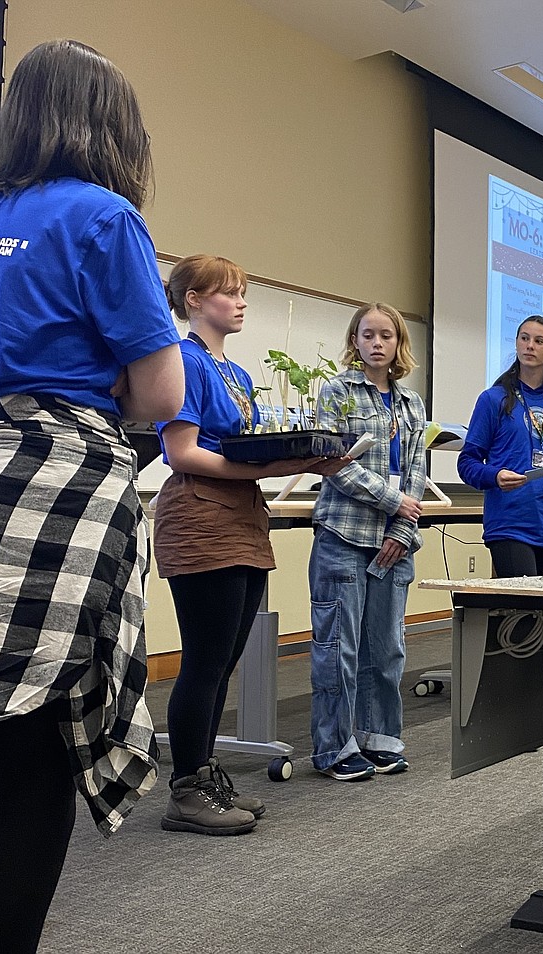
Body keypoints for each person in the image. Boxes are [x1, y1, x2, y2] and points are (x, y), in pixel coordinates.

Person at [0, 39, 185, 952]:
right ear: (113, 125)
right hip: (58, 478)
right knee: (31, 732)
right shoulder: (105, 217)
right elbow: (159, 397)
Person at [153, 254, 347, 832]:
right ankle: (186, 791)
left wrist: (303, 458)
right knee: (205, 660)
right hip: (199, 513)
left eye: (242, 293)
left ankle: (204, 774)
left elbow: (247, 449)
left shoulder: (235, 375)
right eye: (228, 293)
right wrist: (268, 468)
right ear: (193, 300)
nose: (240, 303)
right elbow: (182, 452)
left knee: (226, 659)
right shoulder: (183, 361)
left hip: (240, 514)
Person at [308, 303, 427, 781]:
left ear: (399, 344)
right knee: (340, 647)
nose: (377, 344)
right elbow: (333, 462)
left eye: (387, 336)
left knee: (387, 646)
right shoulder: (336, 392)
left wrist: (402, 525)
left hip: (395, 540)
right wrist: (391, 501)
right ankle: (334, 747)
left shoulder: (412, 404)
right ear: (354, 341)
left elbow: (417, 468)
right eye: (367, 335)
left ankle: (379, 736)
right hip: (343, 534)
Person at [458, 315, 543, 577]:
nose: (530, 346)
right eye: (524, 338)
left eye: (539, 341)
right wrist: (494, 476)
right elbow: (467, 463)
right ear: (516, 344)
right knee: (524, 612)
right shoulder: (493, 399)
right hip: (509, 523)